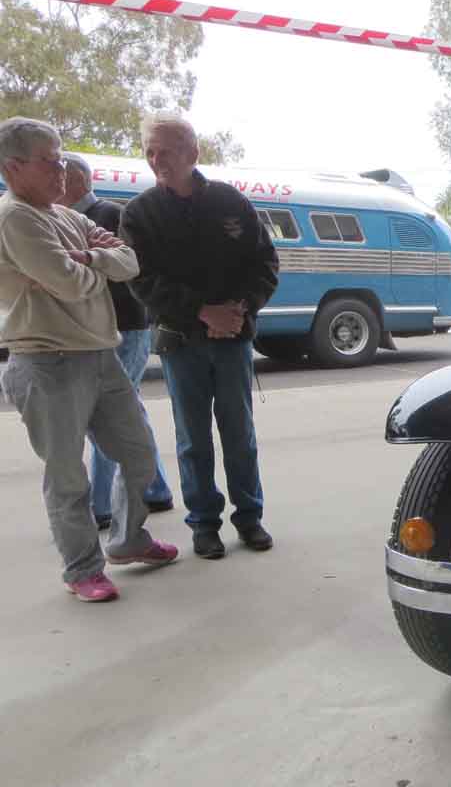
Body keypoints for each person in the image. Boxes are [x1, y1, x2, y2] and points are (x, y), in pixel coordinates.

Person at [0, 117, 178, 602]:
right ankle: (82, 569)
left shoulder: (65, 216)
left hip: (101, 355)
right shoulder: (15, 218)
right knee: (68, 476)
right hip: (47, 360)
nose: (61, 169)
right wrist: (87, 264)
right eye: (48, 160)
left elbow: (129, 262)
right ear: (13, 168)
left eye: (61, 158)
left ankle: (129, 539)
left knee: (138, 453)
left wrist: (89, 258)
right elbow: (70, 284)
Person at [121, 113, 279, 560]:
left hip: (233, 337)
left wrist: (240, 308)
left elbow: (265, 263)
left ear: (193, 153)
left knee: (239, 433)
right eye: (150, 152)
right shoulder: (139, 214)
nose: (157, 160)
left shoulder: (231, 202)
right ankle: (204, 524)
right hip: (180, 342)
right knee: (193, 439)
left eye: (166, 151)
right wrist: (201, 311)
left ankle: (249, 517)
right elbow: (141, 280)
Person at [60, 152, 175, 529]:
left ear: (78, 181)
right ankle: (155, 490)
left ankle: (100, 506)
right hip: (108, 328)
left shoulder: (107, 214)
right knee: (129, 411)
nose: (55, 184)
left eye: (60, 175)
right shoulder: (73, 217)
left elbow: (126, 270)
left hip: (123, 327)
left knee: (107, 415)